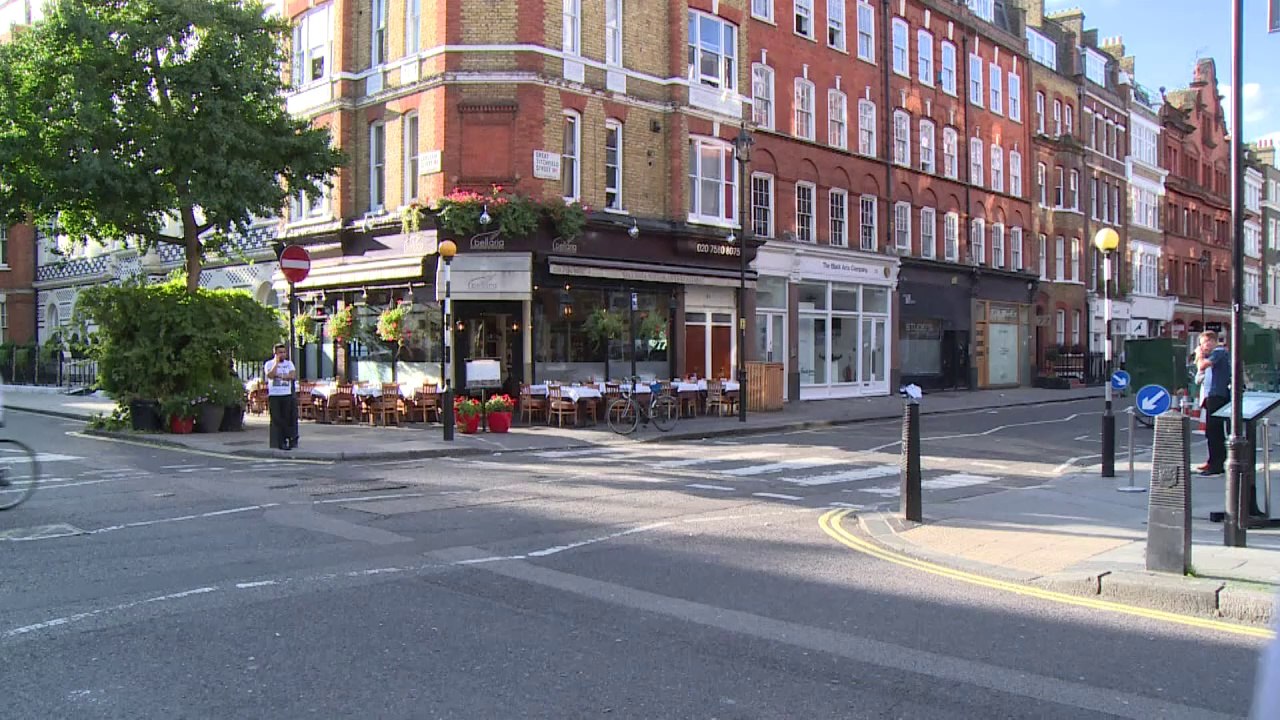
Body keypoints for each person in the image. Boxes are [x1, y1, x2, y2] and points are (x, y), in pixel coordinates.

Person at [1195, 330, 1230, 476]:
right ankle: (1212, 461)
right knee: (1210, 431)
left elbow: (1202, 365)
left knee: (1215, 431)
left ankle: (1217, 465)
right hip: (1211, 396)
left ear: (1214, 341)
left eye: (1208, 342)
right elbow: (1199, 375)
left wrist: (1199, 355)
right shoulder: (1214, 355)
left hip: (1217, 395)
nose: (1205, 346)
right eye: (1203, 343)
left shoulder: (1219, 352)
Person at [264, 343, 298, 450]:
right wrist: (276, 364)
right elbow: (270, 375)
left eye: (284, 352)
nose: (283, 355)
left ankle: (285, 440)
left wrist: (279, 376)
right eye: (280, 353)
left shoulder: (289, 364)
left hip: (286, 394)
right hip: (274, 395)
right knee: (276, 418)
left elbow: (292, 376)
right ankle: (282, 440)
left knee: (286, 418)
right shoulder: (269, 364)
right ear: (275, 353)